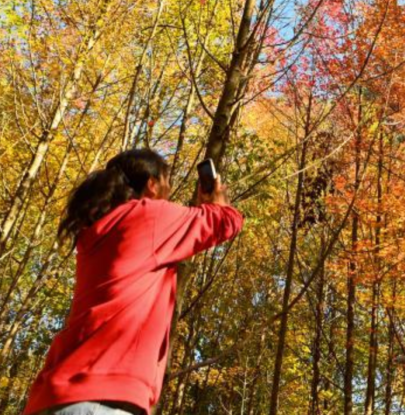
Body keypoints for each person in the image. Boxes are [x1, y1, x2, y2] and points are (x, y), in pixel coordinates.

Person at [22, 148, 243, 415]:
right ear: (152, 185)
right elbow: (224, 222)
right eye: (167, 183)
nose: (169, 192)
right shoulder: (148, 216)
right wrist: (218, 201)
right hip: (102, 399)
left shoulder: (100, 229)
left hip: (54, 397)